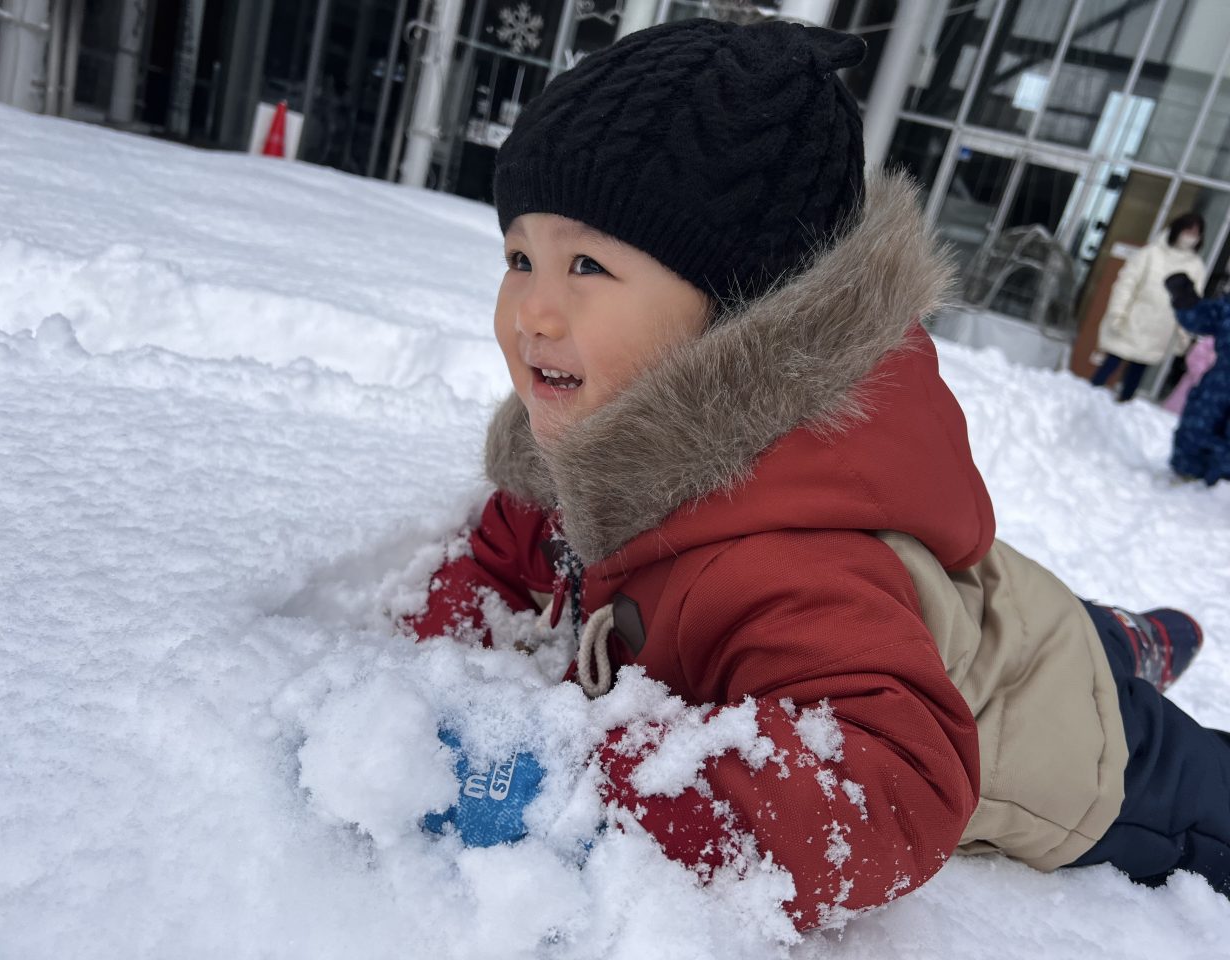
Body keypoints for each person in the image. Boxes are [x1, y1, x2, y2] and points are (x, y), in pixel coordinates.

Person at [407, 19, 1221, 931]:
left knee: (1182, 777)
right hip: (954, 615)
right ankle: (1125, 637)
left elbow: (891, 789)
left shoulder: (785, 567)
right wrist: (431, 679)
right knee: (1031, 625)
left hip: (1048, 733)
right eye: (520, 258)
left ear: (738, 308)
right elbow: (495, 559)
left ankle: (1121, 652)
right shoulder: (581, 455)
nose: (533, 310)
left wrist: (601, 788)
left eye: (587, 264)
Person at [1092, 212, 1207, 401]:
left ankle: (1124, 407)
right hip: (1133, 319)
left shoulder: (1196, 267)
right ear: (1178, 229)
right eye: (1188, 231)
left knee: (1137, 371)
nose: (1191, 237)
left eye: (1196, 233)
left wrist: (1184, 333)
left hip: (1160, 328)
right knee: (1112, 360)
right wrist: (1117, 312)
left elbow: (1191, 302)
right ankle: (1087, 398)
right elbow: (1126, 284)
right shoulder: (1151, 253)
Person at [1165, 273, 1230, 485]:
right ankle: (1187, 473)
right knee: (1198, 424)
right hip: (1220, 381)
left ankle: (1221, 483)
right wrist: (1186, 299)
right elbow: (1202, 318)